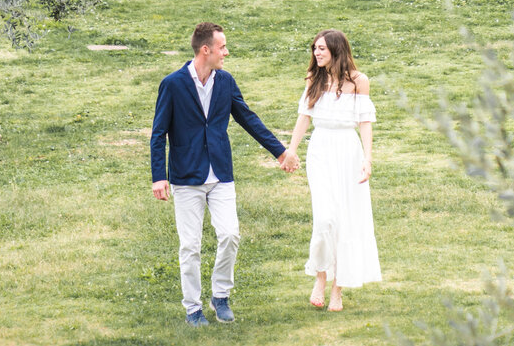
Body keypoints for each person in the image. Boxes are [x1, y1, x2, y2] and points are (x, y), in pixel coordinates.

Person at [151, 21, 298, 326]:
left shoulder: (226, 82)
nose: (226, 52)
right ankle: (193, 307)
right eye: (222, 47)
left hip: (220, 174)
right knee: (189, 246)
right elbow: (158, 133)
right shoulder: (173, 84)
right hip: (185, 177)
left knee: (230, 234)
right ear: (206, 50)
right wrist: (159, 176)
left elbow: (248, 118)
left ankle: (220, 295)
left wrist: (280, 152)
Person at [283, 28, 381, 311]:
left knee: (345, 220)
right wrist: (291, 150)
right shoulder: (315, 78)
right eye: (315, 48)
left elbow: (365, 122)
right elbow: (304, 117)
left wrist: (367, 158)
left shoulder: (359, 81)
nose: (317, 53)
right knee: (325, 219)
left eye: (322, 48)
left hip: (348, 152)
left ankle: (337, 288)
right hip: (321, 151)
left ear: (337, 50)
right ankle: (320, 275)